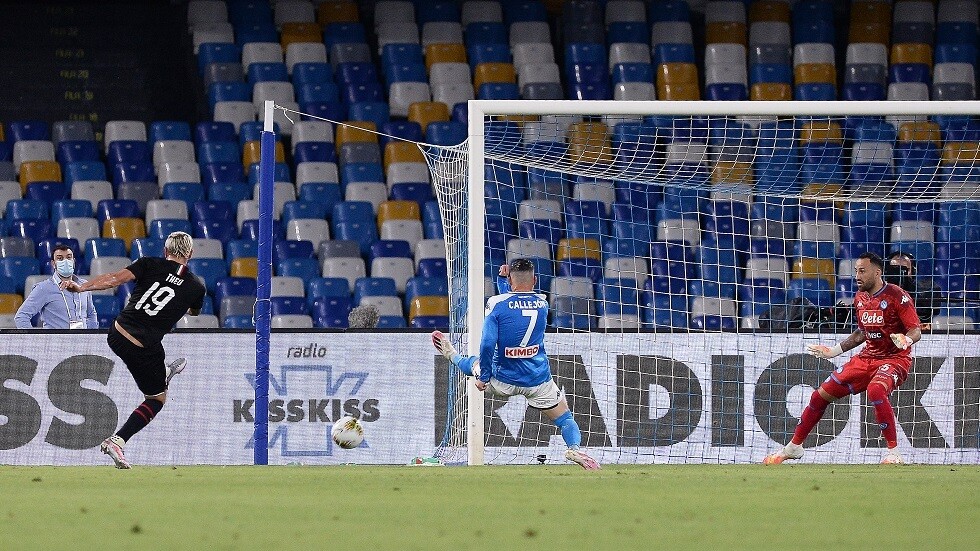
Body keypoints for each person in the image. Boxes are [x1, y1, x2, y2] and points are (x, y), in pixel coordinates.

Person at [431, 258, 600, 470]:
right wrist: (506, 281)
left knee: (473, 361)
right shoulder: (543, 303)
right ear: (535, 280)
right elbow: (518, 307)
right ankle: (574, 447)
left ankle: (451, 354)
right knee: (566, 420)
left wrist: (484, 377)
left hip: (502, 379)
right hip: (538, 381)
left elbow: (488, 342)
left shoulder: (496, 304)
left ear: (511, 279)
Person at [61, 231, 206, 469]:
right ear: (190, 254)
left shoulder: (149, 263)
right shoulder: (196, 287)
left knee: (155, 349)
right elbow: (193, 312)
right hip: (141, 347)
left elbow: (114, 279)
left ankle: (163, 372)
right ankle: (118, 440)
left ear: (165, 251)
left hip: (117, 333)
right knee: (157, 398)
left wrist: (82, 288)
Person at [763, 252, 922, 465]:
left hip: (894, 358)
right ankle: (794, 447)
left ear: (877, 272)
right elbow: (861, 333)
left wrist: (906, 340)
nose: (857, 275)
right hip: (866, 358)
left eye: (862, 271)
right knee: (819, 396)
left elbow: (916, 330)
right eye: (856, 271)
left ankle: (894, 453)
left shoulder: (897, 295)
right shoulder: (860, 298)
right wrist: (833, 351)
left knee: (876, 390)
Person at [14, 245, 98, 329]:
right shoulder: (43, 288)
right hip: (56, 341)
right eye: (60, 258)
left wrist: (93, 338)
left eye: (69, 257)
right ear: (53, 263)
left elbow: (91, 314)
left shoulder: (84, 285)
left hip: (82, 341)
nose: (65, 261)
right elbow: (21, 316)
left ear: (73, 261)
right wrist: (33, 340)